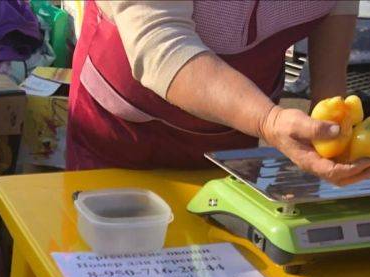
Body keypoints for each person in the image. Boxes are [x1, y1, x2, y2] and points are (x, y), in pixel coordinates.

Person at [67, 0, 370, 184]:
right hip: (123, 132)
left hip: (234, 133)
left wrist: (331, 105)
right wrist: (267, 120)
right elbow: (161, 41)